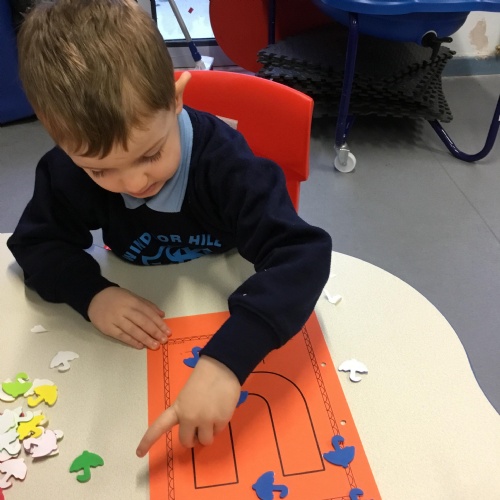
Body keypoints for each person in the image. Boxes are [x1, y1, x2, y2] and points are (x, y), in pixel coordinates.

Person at [7, 0, 332, 457]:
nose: (133, 183)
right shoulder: (66, 170)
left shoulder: (227, 166)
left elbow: (303, 254)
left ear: (177, 98)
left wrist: (227, 361)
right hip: (136, 316)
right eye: (100, 171)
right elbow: (36, 242)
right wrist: (92, 294)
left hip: (225, 291)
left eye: (150, 155)